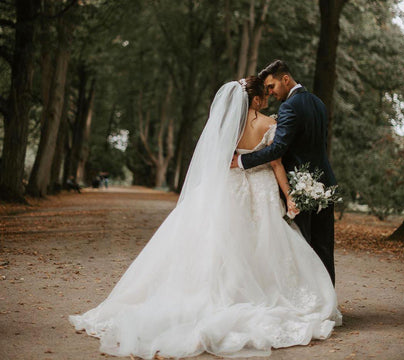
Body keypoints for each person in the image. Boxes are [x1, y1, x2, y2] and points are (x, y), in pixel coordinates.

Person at [70, 78, 341, 359]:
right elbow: (274, 162)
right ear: (257, 101)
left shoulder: (226, 127)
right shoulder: (268, 125)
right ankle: (258, 292)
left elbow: (219, 160)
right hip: (260, 191)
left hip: (228, 187)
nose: (269, 99)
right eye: (265, 96)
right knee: (262, 242)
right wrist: (289, 195)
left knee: (218, 241)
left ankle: (213, 292)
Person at [231, 60, 336, 284]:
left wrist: (241, 160)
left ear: (285, 79)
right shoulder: (318, 102)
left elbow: (277, 150)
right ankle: (329, 299)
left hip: (301, 184)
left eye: (271, 86)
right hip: (325, 182)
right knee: (324, 246)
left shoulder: (289, 107)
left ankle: (316, 299)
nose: (270, 92)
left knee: (304, 246)